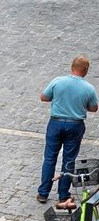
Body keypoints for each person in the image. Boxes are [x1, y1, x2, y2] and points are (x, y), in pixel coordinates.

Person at [37, 55, 98, 209]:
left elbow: (44, 97)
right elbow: (94, 108)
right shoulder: (89, 88)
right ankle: (63, 195)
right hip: (75, 125)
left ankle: (43, 193)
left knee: (49, 158)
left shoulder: (58, 81)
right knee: (69, 160)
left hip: (55, 123)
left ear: (72, 67)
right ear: (85, 70)